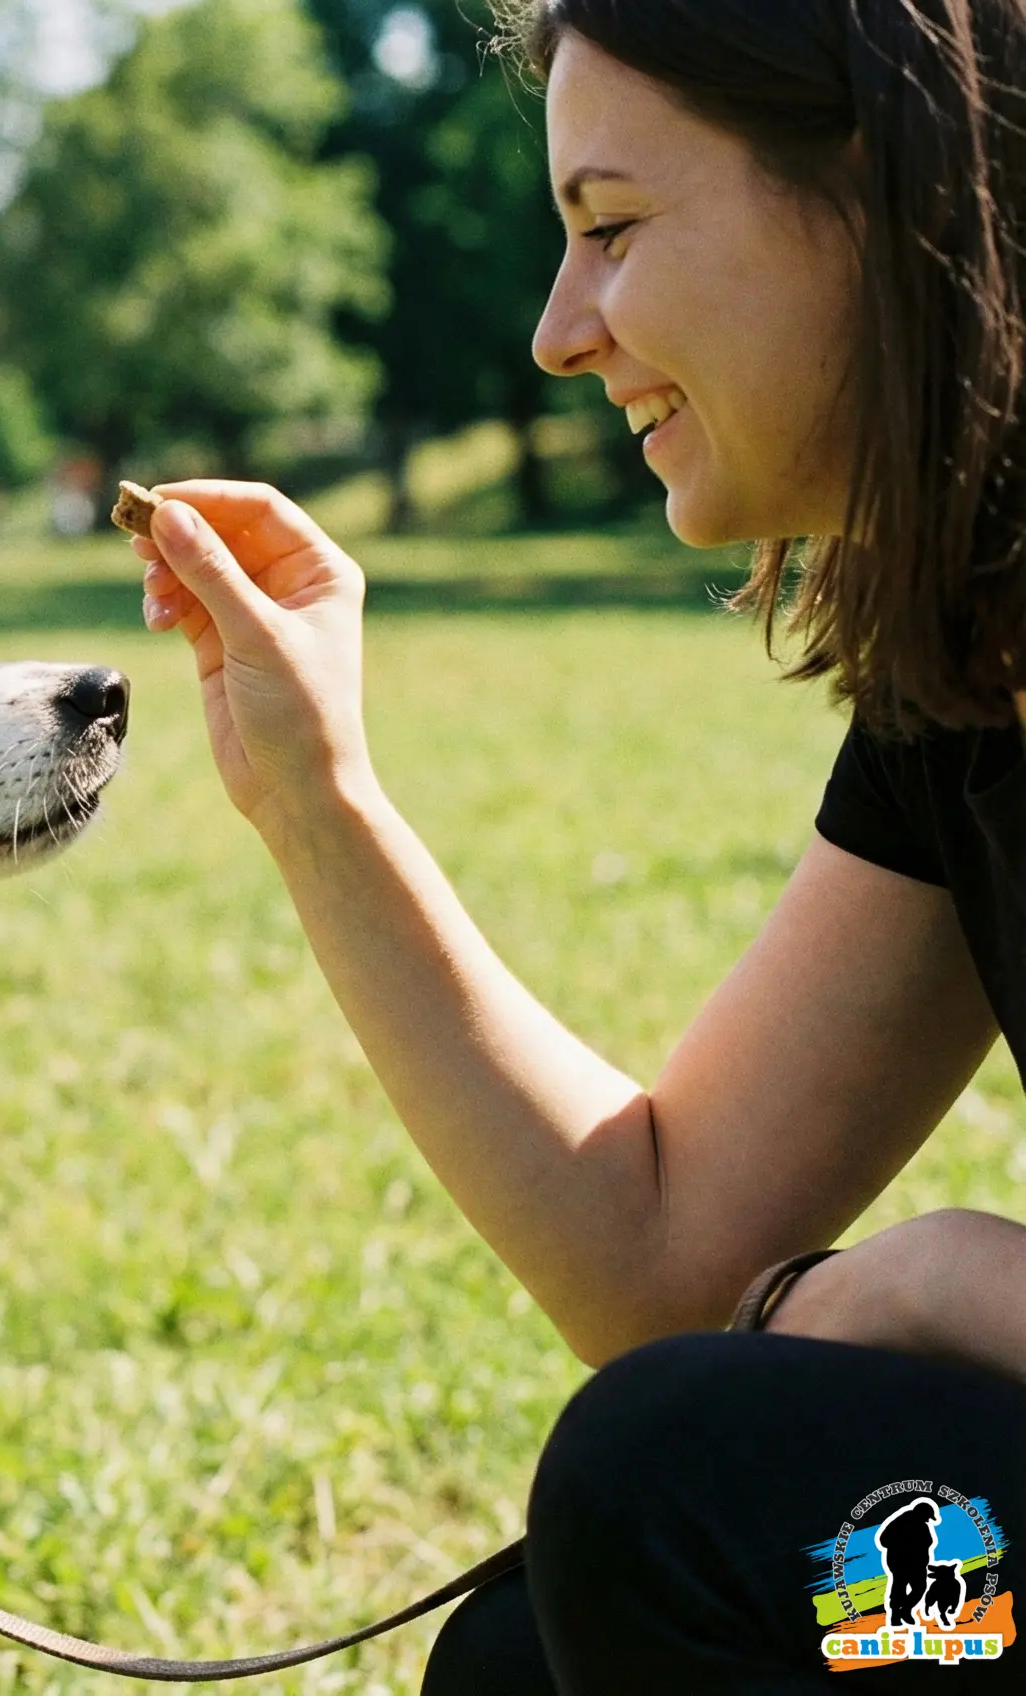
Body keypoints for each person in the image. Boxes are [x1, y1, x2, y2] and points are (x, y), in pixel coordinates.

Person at [129, 2, 1026, 1689]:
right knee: (535, 1654)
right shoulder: (968, 679)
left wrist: (953, 1282)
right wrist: (320, 798)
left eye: (611, 229)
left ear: (887, 194)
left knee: (672, 1493)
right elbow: (667, 1255)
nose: (557, 333)